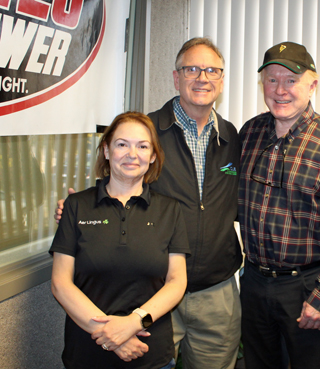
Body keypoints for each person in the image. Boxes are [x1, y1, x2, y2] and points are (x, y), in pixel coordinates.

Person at [55, 38, 242, 369]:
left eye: (212, 70)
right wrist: (76, 211)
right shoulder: (148, 131)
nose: (203, 77)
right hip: (151, 290)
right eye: (192, 69)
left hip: (215, 290)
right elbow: (119, 178)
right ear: (176, 77)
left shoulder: (232, 137)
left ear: (222, 79)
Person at [238, 41, 320, 369]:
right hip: (253, 282)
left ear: (312, 84)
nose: (280, 90)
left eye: (291, 80)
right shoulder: (249, 133)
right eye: (272, 79)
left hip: (306, 286)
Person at [50, 112, 190, 369]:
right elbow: (61, 283)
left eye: (142, 146)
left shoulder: (170, 210)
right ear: (106, 150)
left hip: (151, 354)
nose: (132, 154)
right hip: (87, 353)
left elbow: (176, 282)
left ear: (153, 156)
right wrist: (112, 336)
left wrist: (134, 323)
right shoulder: (76, 206)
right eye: (122, 144)